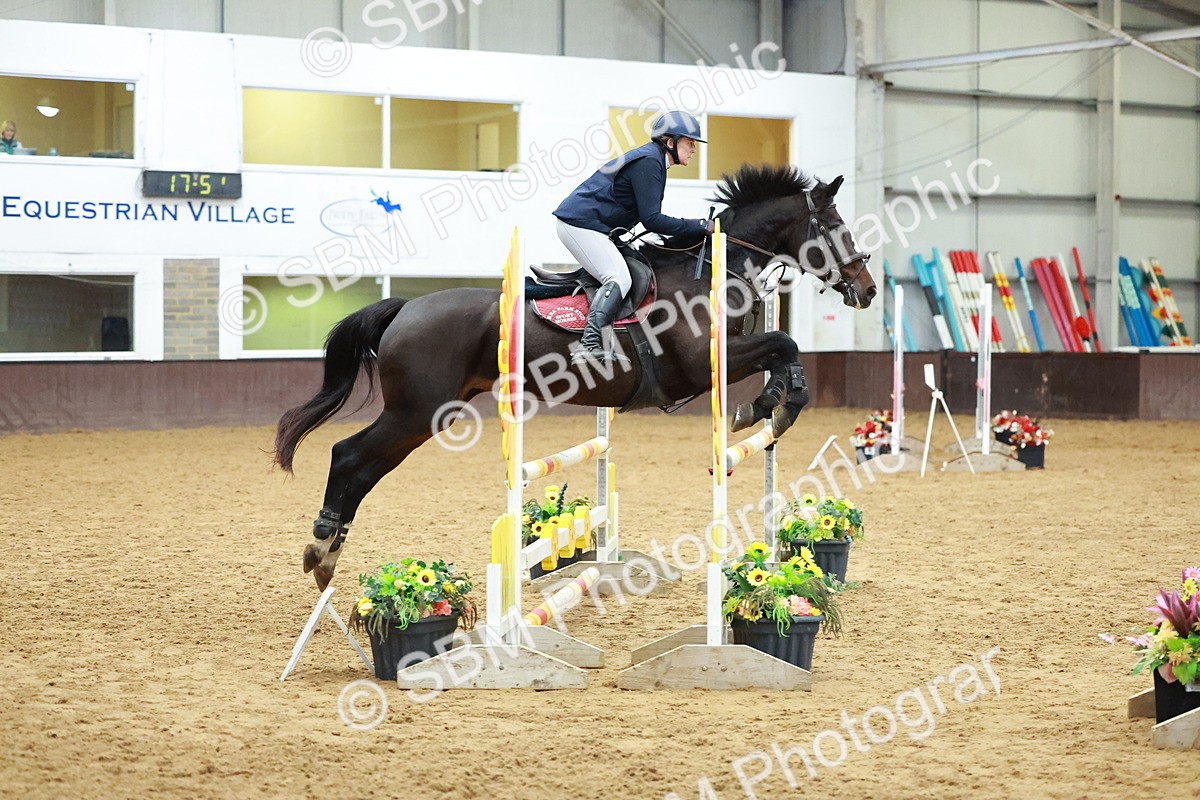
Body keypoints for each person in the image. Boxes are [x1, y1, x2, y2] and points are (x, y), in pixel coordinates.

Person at [554, 110, 715, 364]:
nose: (694, 149)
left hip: (593, 226)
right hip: (580, 225)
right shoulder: (650, 162)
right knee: (618, 277)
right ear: (670, 142)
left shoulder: (654, 160)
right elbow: (652, 220)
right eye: (689, 142)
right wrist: (699, 225)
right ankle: (590, 344)